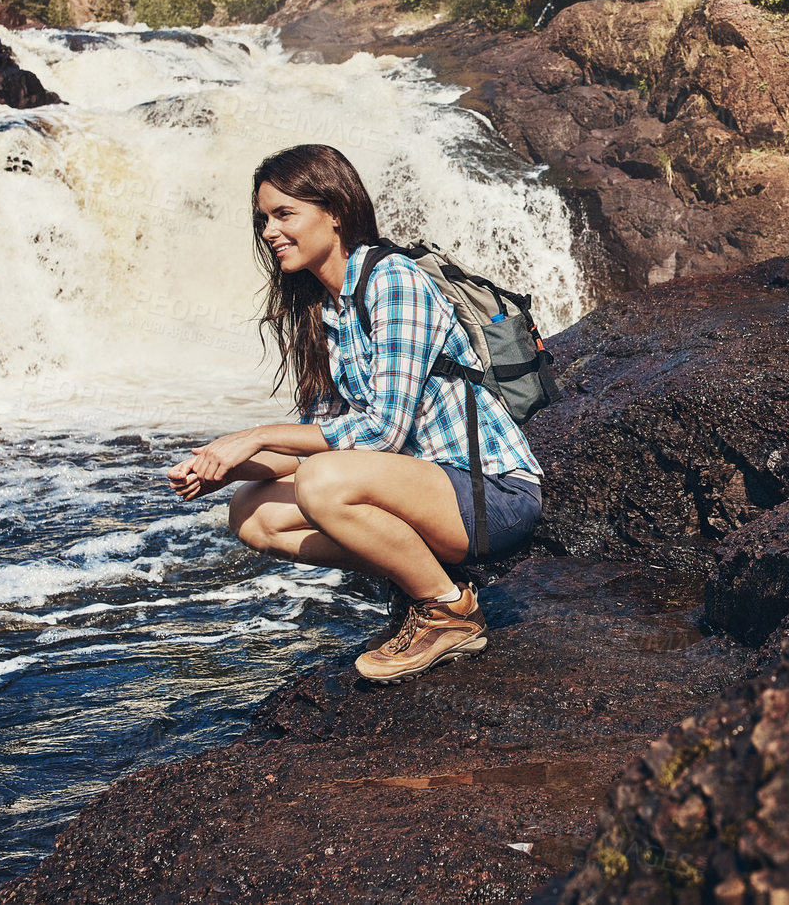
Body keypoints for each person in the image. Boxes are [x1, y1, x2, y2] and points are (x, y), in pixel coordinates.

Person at [165, 144, 544, 683]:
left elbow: (381, 433)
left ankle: (448, 610)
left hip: (491, 496)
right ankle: (424, 581)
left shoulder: (394, 281)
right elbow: (323, 443)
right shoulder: (323, 312)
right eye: (263, 219)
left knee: (322, 481)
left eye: (284, 214)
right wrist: (224, 465)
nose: (269, 231)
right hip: (419, 495)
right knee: (253, 514)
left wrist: (254, 435)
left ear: (335, 211)